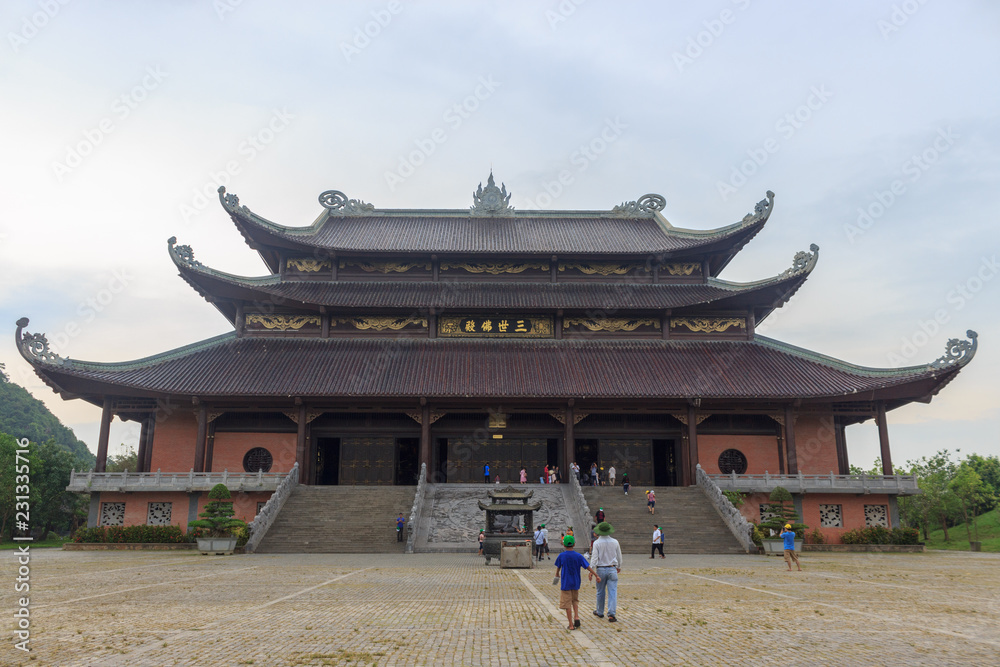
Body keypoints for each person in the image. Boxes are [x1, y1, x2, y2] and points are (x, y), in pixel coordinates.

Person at [555, 535, 600, 631]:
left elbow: (558, 567)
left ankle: (571, 625)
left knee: (567, 603)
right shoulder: (579, 556)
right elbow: (587, 567)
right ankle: (576, 617)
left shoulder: (561, 556)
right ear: (574, 544)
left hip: (566, 582)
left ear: (564, 545)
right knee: (575, 600)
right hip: (576, 582)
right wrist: (596, 575)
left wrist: (557, 574)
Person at [589, 521, 622, 623]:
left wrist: (591, 570)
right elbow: (619, 556)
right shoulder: (615, 542)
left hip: (601, 569)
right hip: (612, 568)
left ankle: (600, 611)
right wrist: (619, 566)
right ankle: (611, 614)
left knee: (600, 591)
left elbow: (594, 558)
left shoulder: (597, 543)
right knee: (613, 592)